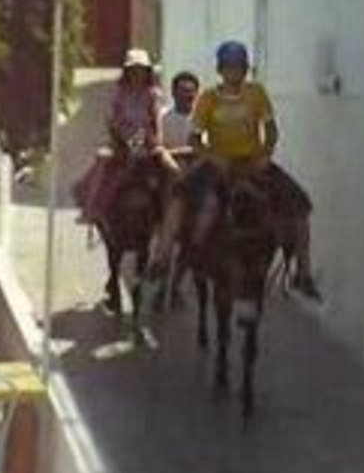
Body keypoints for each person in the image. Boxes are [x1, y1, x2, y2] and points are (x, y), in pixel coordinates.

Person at [155, 41, 320, 299]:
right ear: (220, 70)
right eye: (230, 67)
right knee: (180, 196)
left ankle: (303, 272)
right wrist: (213, 157)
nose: (235, 72)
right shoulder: (208, 98)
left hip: (251, 162)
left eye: (240, 67)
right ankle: (163, 258)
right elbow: (194, 139)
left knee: (300, 204)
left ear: (246, 69)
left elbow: (271, 129)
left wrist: (265, 154)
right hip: (217, 163)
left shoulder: (256, 93)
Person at [76, 49, 179, 224]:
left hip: (146, 140)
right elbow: (112, 120)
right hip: (121, 140)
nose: (137, 74)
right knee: (102, 158)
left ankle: (174, 210)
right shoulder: (119, 94)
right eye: (134, 70)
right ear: (127, 72)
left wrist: (156, 142)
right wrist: (122, 138)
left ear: (146, 72)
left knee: (170, 167)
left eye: (141, 70)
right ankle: (92, 207)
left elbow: (156, 120)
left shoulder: (152, 94)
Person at [161, 71, 200, 152]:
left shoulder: (202, 119)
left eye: (191, 91)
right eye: (183, 91)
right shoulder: (162, 117)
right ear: (173, 92)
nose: (187, 95)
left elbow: (199, 149)